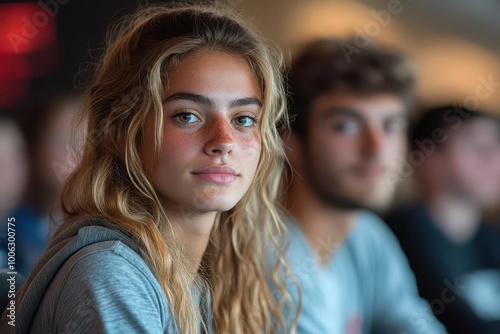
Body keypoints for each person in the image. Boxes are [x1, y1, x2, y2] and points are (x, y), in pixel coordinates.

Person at [0, 4, 297, 333]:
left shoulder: (216, 279)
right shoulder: (112, 274)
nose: (223, 141)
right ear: (124, 129)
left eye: (243, 119)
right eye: (187, 115)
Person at [279, 38, 446, 333]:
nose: (377, 149)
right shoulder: (268, 257)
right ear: (290, 141)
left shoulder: (368, 235)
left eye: (391, 126)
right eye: (346, 125)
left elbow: (412, 323)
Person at [386, 105, 500, 334]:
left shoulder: (492, 237)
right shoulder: (401, 234)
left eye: (497, 147)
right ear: (427, 156)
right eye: (479, 148)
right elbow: (456, 321)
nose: (495, 160)